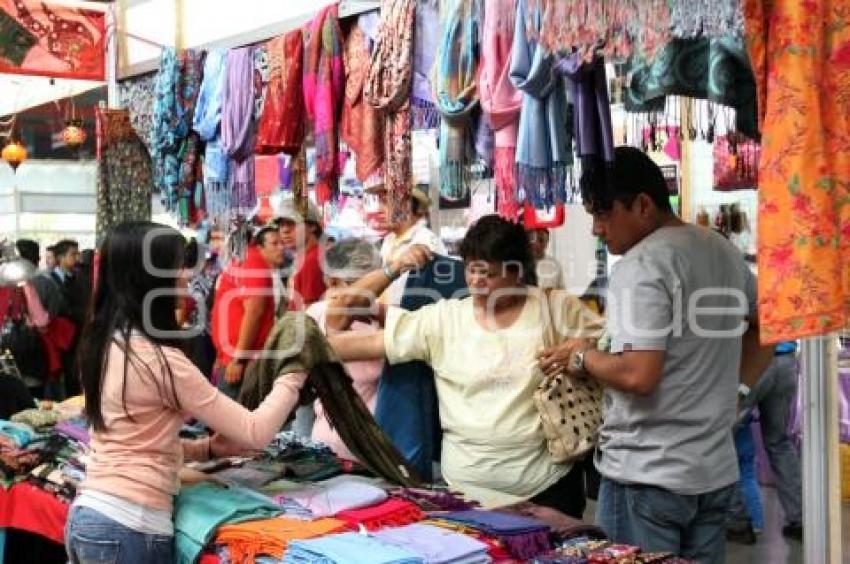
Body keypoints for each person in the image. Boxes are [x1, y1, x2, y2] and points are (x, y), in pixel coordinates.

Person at [549, 147, 759, 563]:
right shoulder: (721, 250)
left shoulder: (642, 265)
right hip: (711, 471)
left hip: (647, 476)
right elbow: (765, 327)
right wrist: (738, 387)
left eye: (603, 214)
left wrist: (581, 357)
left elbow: (638, 375)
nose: (596, 229)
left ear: (643, 205)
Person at [328, 215, 602, 516]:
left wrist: (582, 350)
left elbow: (616, 351)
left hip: (548, 488)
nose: (476, 281)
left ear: (517, 272)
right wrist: (393, 268)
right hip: (465, 493)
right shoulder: (443, 319)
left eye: (489, 274)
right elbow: (337, 326)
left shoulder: (556, 309)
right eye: (471, 269)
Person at [66, 222, 307, 564]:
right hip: (129, 527)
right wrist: (295, 371)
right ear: (149, 279)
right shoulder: (160, 360)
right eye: (176, 266)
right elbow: (256, 431)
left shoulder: (104, 342)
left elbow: (134, 440)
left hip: (90, 516)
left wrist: (206, 448)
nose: (185, 275)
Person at [305, 239, 385, 462]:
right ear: (332, 280)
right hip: (337, 442)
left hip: (373, 445)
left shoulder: (379, 317)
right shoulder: (319, 314)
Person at [210, 226, 286, 398]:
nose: (281, 247)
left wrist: (239, 359)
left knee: (231, 419)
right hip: (234, 359)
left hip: (241, 361)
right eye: (275, 243)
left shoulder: (253, 262)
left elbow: (254, 312)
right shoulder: (250, 261)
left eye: (282, 243)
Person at [365, 183, 447, 306]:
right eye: (380, 202)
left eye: (385, 202)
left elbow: (430, 299)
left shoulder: (425, 242)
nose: (380, 209)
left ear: (406, 205)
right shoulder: (389, 240)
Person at [275, 196, 327, 311]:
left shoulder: (311, 261)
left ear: (312, 226)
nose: (285, 230)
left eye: (292, 223)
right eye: (282, 225)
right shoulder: (309, 257)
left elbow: (310, 315)